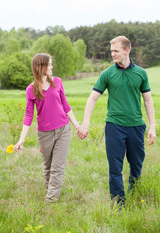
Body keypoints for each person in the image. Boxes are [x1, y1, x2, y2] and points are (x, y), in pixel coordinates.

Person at [77, 36, 156, 206]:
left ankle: (134, 193)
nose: (112, 54)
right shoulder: (107, 74)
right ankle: (119, 202)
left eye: (116, 51)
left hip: (136, 126)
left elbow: (148, 101)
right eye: (111, 51)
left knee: (136, 164)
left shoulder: (141, 73)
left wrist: (152, 127)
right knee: (115, 167)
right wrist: (85, 122)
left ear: (127, 50)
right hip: (114, 126)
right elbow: (92, 99)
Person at [15, 53, 79, 203]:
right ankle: (49, 189)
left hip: (63, 129)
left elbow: (66, 105)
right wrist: (21, 140)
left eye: (51, 64)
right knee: (48, 166)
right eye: (49, 64)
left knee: (57, 166)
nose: (51, 66)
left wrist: (76, 126)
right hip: (44, 133)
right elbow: (28, 116)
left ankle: (51, 200)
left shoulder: (58, 82)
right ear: (40, 67)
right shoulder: (31, 89)